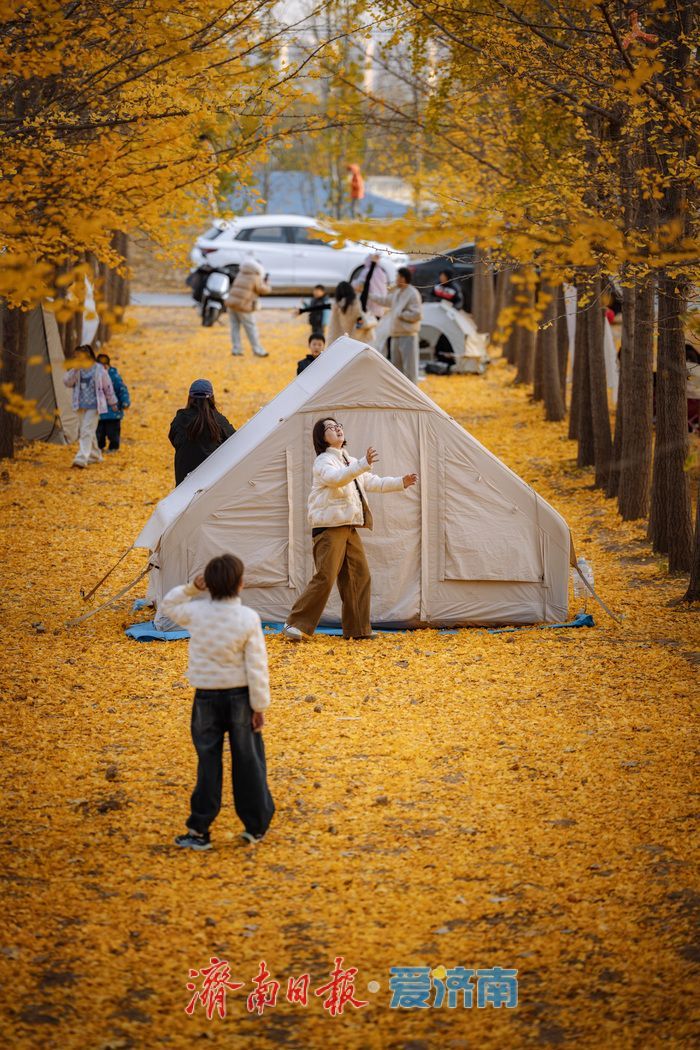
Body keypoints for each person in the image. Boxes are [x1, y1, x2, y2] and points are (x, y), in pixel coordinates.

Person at [160, 553, 275, 850]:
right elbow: (257, 666)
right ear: (240, 584)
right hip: (240, 697)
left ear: (207, 584)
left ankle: (199, 829)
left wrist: (190, 589)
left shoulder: (197, 612)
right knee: (248, 761)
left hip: (206, 697)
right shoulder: (248, 618)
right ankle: (255, 825)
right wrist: (259, 706)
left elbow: (168, 605)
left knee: (208, 762)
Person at [282, 418, 417, 642]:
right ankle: (294, 624)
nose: (337, 429)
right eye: (330, 428)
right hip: (329, 527)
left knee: (359, 575)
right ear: (321, 437)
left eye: (338, 425)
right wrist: (362, 464)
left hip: (349, 526)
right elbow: (336, 479)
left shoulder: (349, 460)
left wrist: (400, 482)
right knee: (326, 576)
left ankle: (358, 629)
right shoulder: (323, 461)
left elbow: (372, 482)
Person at [168, 379, 235, 486]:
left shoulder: (180, 419)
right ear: (212, 398)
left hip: (184, 481)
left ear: (190, 398)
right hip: (211, 482)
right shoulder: (219, 421)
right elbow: (234, 442)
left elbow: (173, 439)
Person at [63, 345, 118, 468]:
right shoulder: (77, 370)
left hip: (95, 406)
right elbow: (67, 382)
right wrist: (74, 370)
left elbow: (107, 387)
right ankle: (94, 455)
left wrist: (113, 402)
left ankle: (81, 458)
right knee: (88, 430)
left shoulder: (99, 370)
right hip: (81, 405)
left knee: (86, 430)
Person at [374, 267, 423, 384]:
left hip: (408, 335)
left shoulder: (413, 293)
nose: (396, 279)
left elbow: (417, 314)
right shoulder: (397, 292)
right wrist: (369, 295)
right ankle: (400, 394)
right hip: (395, 334)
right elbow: (385, 301)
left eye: (397, 276)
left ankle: (413, 394)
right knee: (396, 368)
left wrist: (401, 314)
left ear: (403, 278)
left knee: (410, 367)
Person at [226, 255, 271, 357]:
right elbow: (263, 290)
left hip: (232, 303)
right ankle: (258, 350)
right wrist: (267, 283)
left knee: (235, 327)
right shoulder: (255, 276)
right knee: (251, 328)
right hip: (243, 306)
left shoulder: (241, 272)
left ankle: (236, 349)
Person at [96, 353, 130, 453]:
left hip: (113, 412)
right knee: (99, 432)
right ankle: (99, 446)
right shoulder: (96, 377)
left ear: (106, 366)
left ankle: (113, 447)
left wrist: (125, 401)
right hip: (100, 412)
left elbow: (122, 389)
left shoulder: (114, 377)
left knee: (113, 432)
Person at [353, 253, 390, 319]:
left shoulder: (366, 271)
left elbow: (359, 285)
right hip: (380, 305)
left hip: (369, 304)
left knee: (369, 323)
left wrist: (353, 283)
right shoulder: (382, 273)